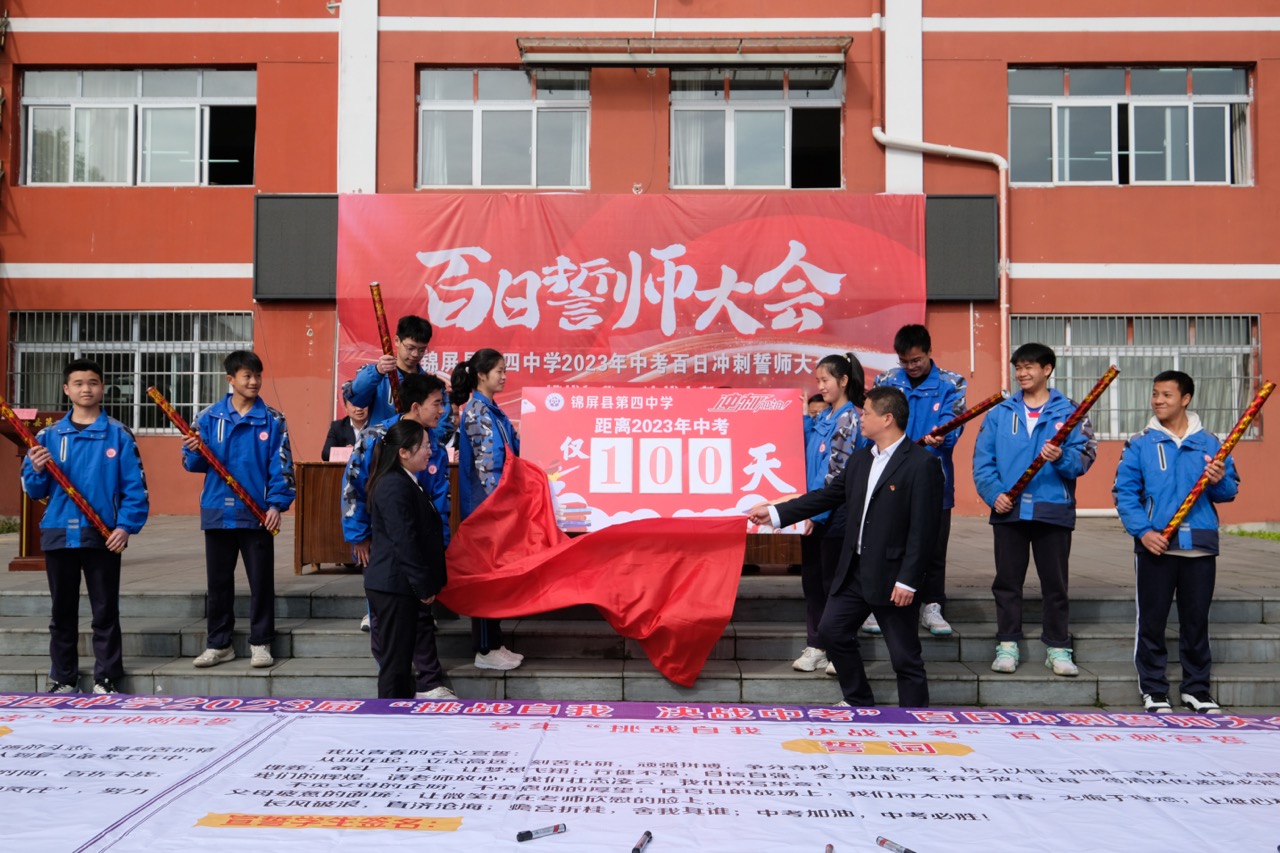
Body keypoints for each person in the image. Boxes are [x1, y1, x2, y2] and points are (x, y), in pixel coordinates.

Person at [752, 386, 943, 708]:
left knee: (904, 657)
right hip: (854, 570)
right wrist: (775, 513)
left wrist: (908, 580)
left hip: (893, 577)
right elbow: (826, 496)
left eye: (866, 412)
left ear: (887, 418)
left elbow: (925, 531)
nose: (860, 418)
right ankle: (858, 700)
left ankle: (915, 718)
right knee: (832, 632)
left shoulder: (921, 464)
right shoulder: (860, 460)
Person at [1112, 371, 1239, 714]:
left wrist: (1219, 479)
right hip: (1156, 544)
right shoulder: (1140, 443)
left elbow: (1228, 492)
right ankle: (1154, 688)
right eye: (1155, 394)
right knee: (1152, 620)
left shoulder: (1211, 443)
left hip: (1199, 544)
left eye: (1166, 395)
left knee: (1196, 620)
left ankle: (1196, 689)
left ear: (1185, 399)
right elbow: (1124, 493)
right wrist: (1144, 531)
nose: (1158, 400)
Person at [21, 359, 150, 694]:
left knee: (105, 609)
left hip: (102, 535)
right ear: (67, 390)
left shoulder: (118, 435)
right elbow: (34, 491)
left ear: (102, 388)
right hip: (59, 533)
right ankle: (63, 677)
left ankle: (107, 676)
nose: (86, 389)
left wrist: (125, 527)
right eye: (78, 383)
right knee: (61, 611)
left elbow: (135, 488)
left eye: (92, 382)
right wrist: (36, 469)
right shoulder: (48, 436)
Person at [972, 342, 1096, 677]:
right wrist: (994, 495)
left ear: (1047, 369)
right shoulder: (1000, 413)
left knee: (1055, 584)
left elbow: (1085, 457)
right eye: (1018, 367)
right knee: (1007, 581)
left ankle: (1058, 647)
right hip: (1008, 510)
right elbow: (983, 462)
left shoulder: (1070, 412)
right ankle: (1007, 644)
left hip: (1053, 509)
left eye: (1029, 367)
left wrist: (1063, 458)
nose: (1022, 373)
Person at [342, 373, 457, 699]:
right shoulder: (379, 441)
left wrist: (438, 546)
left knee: (415, 627)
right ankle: (395, 703)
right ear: (416, 406)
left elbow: (438, 499)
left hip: (418, 556)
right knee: (393, 644)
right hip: (392, 562)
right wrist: (358, 534)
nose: (442, 410)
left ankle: (426, 684)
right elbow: (354, 488)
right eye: (437, 403)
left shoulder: (432, 445)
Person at [184, 350, 295, 669]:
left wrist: (276, 504)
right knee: (218, 583)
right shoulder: (208, 418)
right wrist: (194, 452)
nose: (254, 381)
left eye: (258, 375)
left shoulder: (273, 420)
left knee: (261, 582)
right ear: (231, 379)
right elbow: (192, 464)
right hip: (218, 511)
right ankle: (219, 644)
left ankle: (261, 642)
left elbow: (281, 466)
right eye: (247, 376)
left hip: (257, 513)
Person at [874, 324, 968, 637]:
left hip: (934, 477)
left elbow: (954, 422)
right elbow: (875, 421)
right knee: (889, 543)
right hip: (892, 475)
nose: (911, 366)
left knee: (933, 546)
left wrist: (944, 435)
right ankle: (882, 603)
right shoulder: (887, 381)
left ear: (929, 352)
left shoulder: (951, 383)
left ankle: (932, 605)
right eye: (905, 361)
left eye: (917, 360)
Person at [365, 419, 451, 699]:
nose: (430, 451)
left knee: (401, 661)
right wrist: (422, 585)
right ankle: (389, 714)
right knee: (395, 664)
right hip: (394, 586)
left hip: (401, 586)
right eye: (424, 446)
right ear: (404, 452)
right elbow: (404, 541)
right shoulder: (394, 485)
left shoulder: (408, 481)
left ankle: (401, 711)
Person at [792, 353, 867, 677]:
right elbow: (806, 452)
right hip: (813, 513)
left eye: (825, 380)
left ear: (844, 380)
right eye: (818, 380)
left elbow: (836, 476)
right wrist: (802, 416)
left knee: (835, 584)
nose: (820, 386)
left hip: (835, 516)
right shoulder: (824, 416)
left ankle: (840, 646)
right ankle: (817, 646)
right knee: (813, 583)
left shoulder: (850, 420)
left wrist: (815, 514)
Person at [450, 348, 524, 671]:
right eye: (499, 371)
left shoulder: (492, 410)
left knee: (494, 579)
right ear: (481, 375)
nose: (504, 376)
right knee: (483, 579)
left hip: (495, 508)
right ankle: (484, 647)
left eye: (505, 370)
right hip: (485, 509)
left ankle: (495, 641)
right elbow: (488, 467)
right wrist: (500, 505)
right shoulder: (478, 412)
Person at [321, 391, 370, 462]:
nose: (359, 409)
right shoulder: (337, 427)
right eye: (354, 404)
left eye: (363, 403)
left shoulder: (378, 426)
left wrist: (356, 452)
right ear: (346, 407)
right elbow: (325, 454)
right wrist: (345, 453)